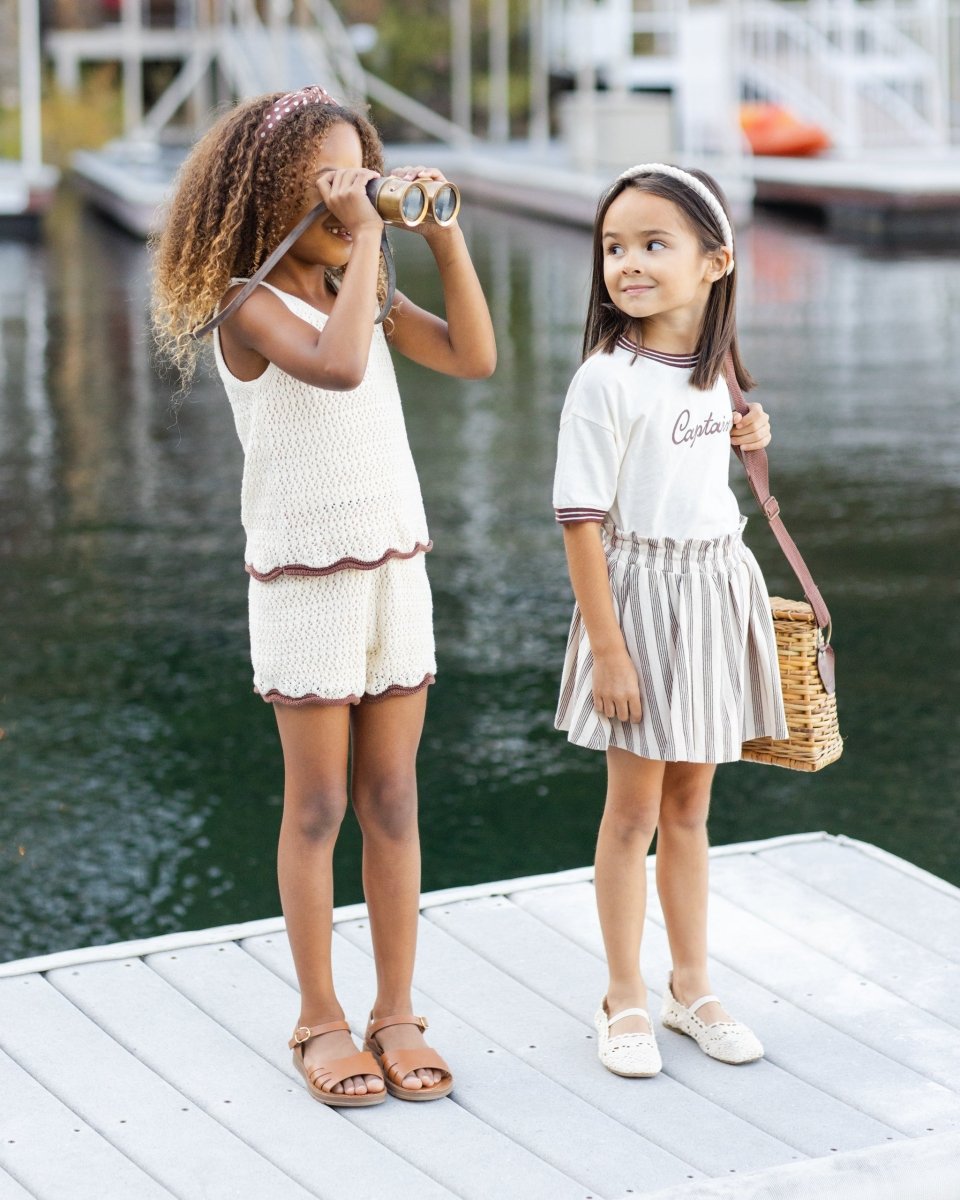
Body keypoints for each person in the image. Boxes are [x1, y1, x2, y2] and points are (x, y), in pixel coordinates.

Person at [151, 86, 496, 1106]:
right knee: (322, 805)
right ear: (272, 194)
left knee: (393, 799)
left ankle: (396, 1010)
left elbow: (474, 359)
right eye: (329, 182)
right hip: (306, 583)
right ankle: (319, 1017)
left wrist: (443, 238)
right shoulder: (248, 300)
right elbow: (340, 368)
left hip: (394, 567)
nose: (355, 200)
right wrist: (361, 249)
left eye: (363, 175)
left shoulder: (363, 284)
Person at [552, 163, 787, 1078]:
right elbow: (580, 521)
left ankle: (692, 984)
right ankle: (622, 994)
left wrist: (753, 432)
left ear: (715, 262)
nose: (629, 263)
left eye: (655, 244)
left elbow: (702, 472)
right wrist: (607, 649)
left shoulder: (714, 367)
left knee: (691, 807)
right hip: (640, 603)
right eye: (615, 246)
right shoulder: (603, 382)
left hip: (714, 591)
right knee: (632, 812)